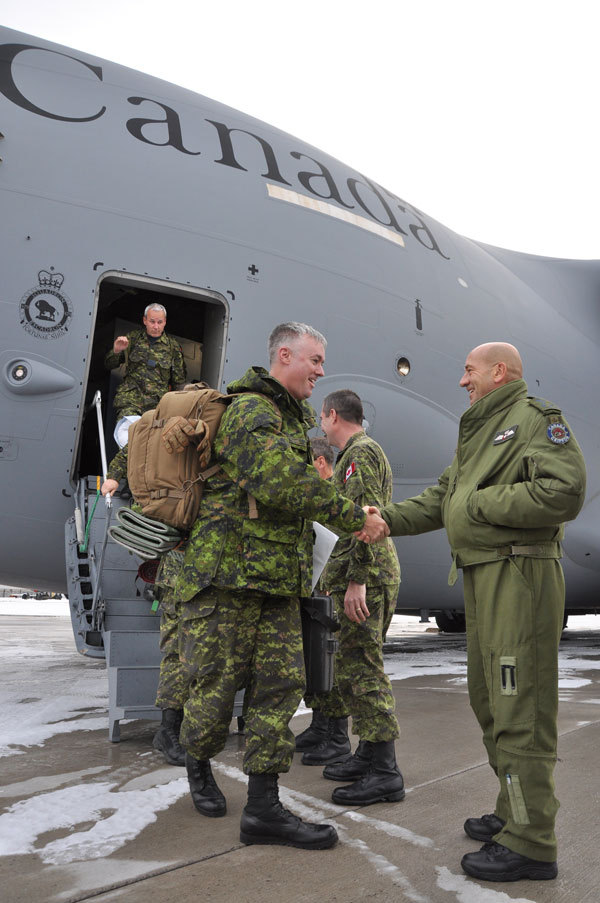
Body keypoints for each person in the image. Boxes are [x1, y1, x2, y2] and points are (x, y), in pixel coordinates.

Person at [358, 342, 586, 881]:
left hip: (519, 576)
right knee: (490, 701)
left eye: (469, 371)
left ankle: (532, 843)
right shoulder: (480, 431)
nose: (463, 381)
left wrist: (479, 506)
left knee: (519, 706)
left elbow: (565, 490)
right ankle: (514, 812)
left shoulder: (535, 421)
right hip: (484, 575)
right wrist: (384, 518)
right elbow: (442, 498)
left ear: (498, 371)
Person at [174, 322, 387, 850]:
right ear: (284, 356)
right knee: (217, 690)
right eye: (314, 360)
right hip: (229, 578)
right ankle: (198, 765)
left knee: (280, 690)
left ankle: (264, 808)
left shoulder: (290, 421)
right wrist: (350, 515)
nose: (320, 371)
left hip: (275, 582)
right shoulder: (250, 411)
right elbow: (278, 480)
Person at [301, 389, 403, 808]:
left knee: (364, 671)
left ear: (331, 415)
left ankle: (385, 771)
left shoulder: (359, 455)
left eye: (322, 418)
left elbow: (366, 519)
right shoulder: (359, 453)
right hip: (366, 574)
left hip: (369, 577)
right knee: (353, 670)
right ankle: (367, 752)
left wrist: (356, 580)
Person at [104, 302, 187, 448]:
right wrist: (116, 351)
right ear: (145, 320)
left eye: (160, 322)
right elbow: (109, 365)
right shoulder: (133, 339)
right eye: (152, 321)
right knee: (127, 444)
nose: (156, 326)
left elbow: (178, 383)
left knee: (149, 450)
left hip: (156, 408)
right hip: (130, 401)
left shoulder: (173, 347)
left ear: (165, 322)